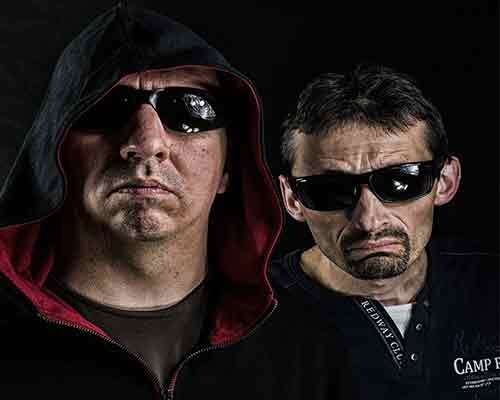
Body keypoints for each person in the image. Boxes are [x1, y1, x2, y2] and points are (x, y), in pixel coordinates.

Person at [0, 3, 355, 399]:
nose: (147, 142)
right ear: (54, 153)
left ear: (228, 167)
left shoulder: (307, 353)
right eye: (105, 106)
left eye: (189, 109)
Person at [272, 65, 499, 400]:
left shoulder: (490, 284)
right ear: (292, 199)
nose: (369, 220)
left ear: (445, 181)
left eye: (400, 182)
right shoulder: (249, 317)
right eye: (331, 191)